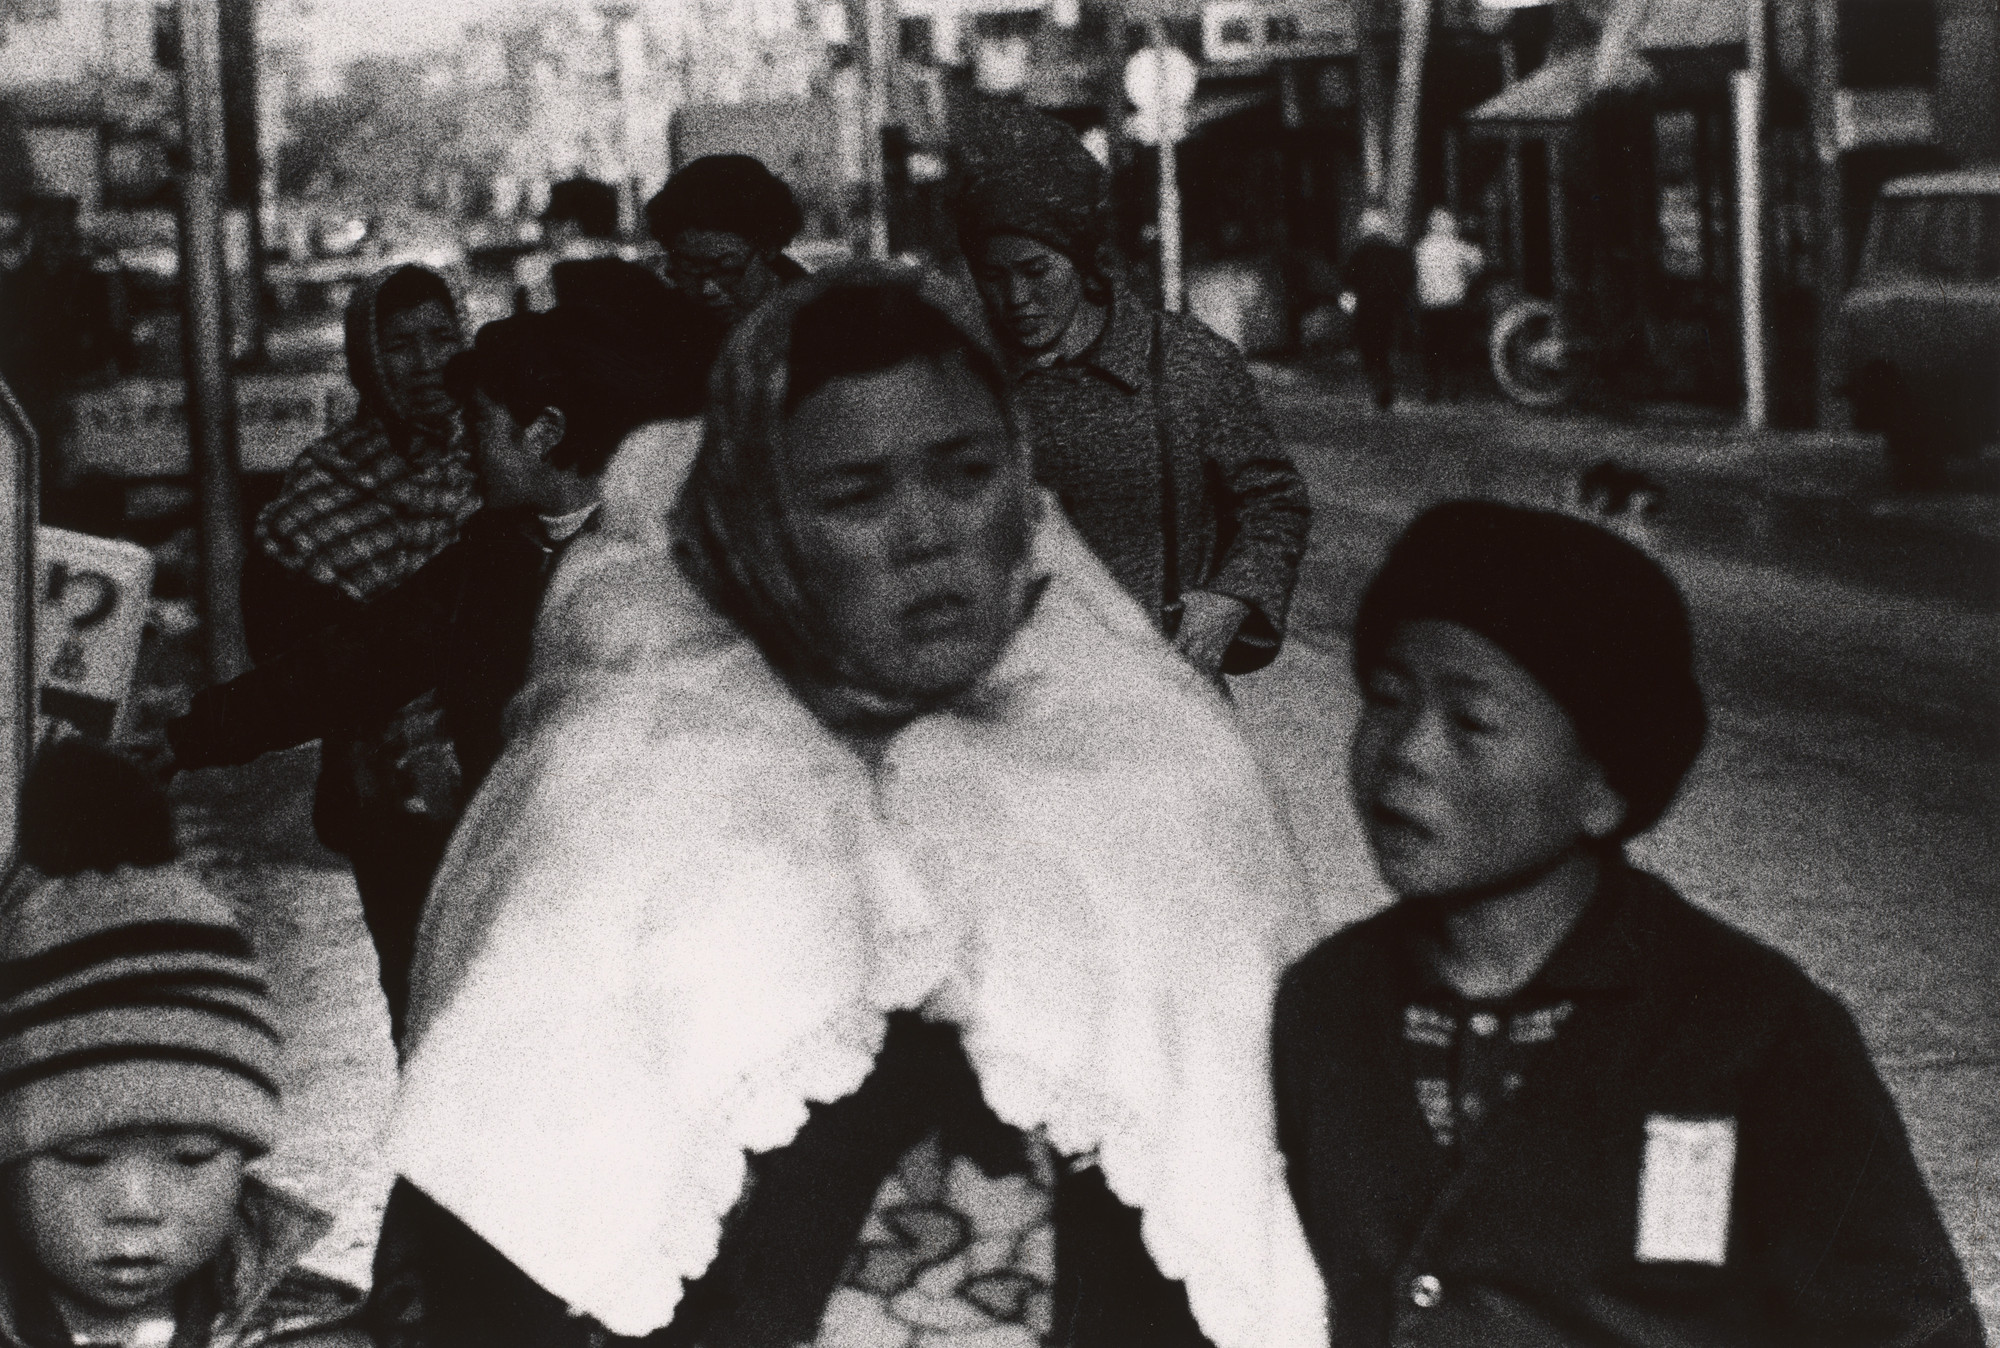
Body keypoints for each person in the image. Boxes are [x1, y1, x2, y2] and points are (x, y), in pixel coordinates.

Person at [368, 265, 1329, 1348]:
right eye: (855, 494)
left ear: (1023, 491)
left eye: (967, 472)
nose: (928, 532)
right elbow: (501, 1227)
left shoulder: (1152, 760)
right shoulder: (624, 788)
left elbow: (1259, 1203)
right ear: (755, 530)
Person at [1271, 501, 1983, 1347]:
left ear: (1603, 787)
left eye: (1472, 721)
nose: (1407, 751)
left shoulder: (1755, 1032)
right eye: (1387, 699)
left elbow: (1911, 1331)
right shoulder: (1325, 1007)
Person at [163, 272, 719, 1039]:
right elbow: (357, 655)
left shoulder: (662, 560)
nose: (466, 447)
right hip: (498, 888)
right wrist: (186, 739)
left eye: (480, 423)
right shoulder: (494, 552)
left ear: (544, 432)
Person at [0, 757, 366, 1348]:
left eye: (192, 1156)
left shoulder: (305, 1334)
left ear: (243, 1162)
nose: (136, 1205)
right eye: (85, 1156)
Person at [951, 100, 1310, 682]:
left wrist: (1232, 598)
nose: (1016, 298)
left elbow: (1273, 500)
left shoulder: (1185, 361)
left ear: (1080, 260)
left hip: (1165, 693)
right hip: (1020, 696)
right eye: (994, 276)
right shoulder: (964, 381)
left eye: (1036, 271)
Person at [244, 263, 479, 1032]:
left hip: (497, 777)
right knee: (415, 997)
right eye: (400, 345)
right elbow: (281, 648)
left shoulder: (501, 460)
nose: (427, 362)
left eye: (441, 337)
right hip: (384, 800)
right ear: (365, 359)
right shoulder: (321, 483)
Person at [644, 153, 809, 327]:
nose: (708, 290)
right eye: (689, 268)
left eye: (725, 268)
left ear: (768, 248)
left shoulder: (813, 320)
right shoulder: (661, 323)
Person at [515, 176, 626, 313]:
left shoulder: (540, 272)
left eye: (550, 221)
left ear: (570, 226)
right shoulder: (633, 272)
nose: (545, 230)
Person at [1339, 209, 1414, 412]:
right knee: (1386, 345)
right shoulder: (1396, 253)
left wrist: (1348, 307)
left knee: (1369, 347)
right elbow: (1407, 278)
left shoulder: (1359, 254)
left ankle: (1377, 381)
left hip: (1367, 308)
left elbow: (1348, 281)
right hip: (1390, 307)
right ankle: (1386, 380)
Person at [1413, 208, 1484, 402]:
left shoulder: (1421, 247)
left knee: (1431, 348)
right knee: (1455, 348)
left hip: (1429, 304)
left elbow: (1417, 274)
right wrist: (1467, 278)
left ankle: (1432, 389)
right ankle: (1454, 390)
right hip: (1455, 303)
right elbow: (1478, 263)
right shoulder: (1458, 246)